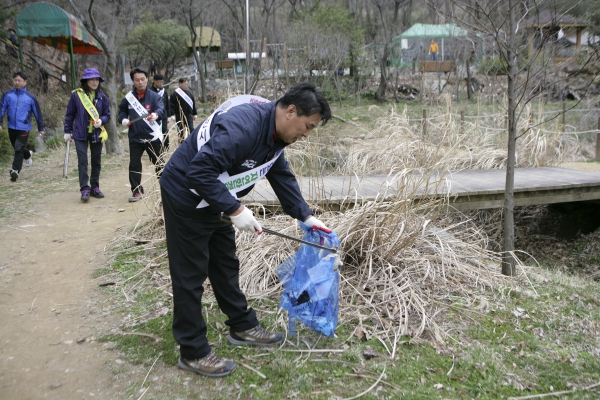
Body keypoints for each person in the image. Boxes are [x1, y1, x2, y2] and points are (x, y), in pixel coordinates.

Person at [159, 82, 332, 378]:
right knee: (190, 274)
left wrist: (305, 217)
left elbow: (280, 174)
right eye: (308, 126)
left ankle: (242, 326)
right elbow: (198, 171)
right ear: (291, 111)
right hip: (186, 196)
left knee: (225, 264)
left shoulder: (276, 134)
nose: (306, 135)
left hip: (216, 196)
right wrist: (235, 209)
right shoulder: (244, 127)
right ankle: (193, 350)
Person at [118, 67, 165, 202]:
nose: (140, 82)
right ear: (133, 81)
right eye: (137, 80)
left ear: (147, 79)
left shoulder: (154, 96)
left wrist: (156, 114)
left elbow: (161, 108)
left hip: (152, 137)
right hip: (135, 137)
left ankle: (165, 190)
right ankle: (137, 191)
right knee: (134, 165)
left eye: (142, 79)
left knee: (159, 164)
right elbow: (121, 112)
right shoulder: (129, 98)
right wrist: (123, 119)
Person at [64, 68, 110, 202]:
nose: (95, 82)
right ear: (85, 81)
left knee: (96, 162)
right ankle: (84, 188)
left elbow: (107, 114)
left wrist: (101, 120)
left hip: (97, 133)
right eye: (92, 79)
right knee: (82, 162)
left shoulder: (102, 97)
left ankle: (95, 187)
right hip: (80, 134)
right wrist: (67, 131)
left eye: (97, 80)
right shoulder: (76, 96)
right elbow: (70, 114)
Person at [0, 71, 44, 182]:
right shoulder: (7, 95)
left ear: (25, 82)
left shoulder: (30, 97)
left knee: (18, 148)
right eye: (15, 80)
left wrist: (41, 128)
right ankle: (28, 154)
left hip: (24, 127)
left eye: (19, 80)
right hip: (11, 127)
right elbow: (2, 109)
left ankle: (15, 170)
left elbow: (37, 113)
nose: (17, 82)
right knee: (17, 148)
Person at [148, 73, 169, 148]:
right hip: (153, 116)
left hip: (163, 115)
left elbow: (167, 103)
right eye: (159, 82)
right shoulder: (149, 91)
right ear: (154, 81)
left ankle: (166, 146)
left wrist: (169, 115)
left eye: (162, 82)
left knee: (164, 130)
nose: (161, 84)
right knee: (155, 132)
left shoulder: (163, 91)